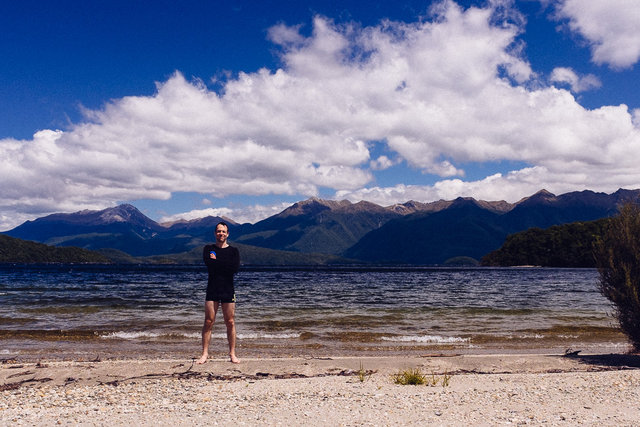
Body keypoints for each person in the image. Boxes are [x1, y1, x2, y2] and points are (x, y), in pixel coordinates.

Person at [196, 221, 241, 364]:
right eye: (218, 231)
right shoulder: (208, 249)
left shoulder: (234, 251)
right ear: (215, 233)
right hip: (212, 289)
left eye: (223, 231)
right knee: (209, 321)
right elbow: (210, 265)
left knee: (230, 322)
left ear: (227, 234)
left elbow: (234, 268)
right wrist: (222, 263)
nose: (221, 233)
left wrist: (218, 262)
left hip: (228, 289)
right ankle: (204, 354)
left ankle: (232, 354)